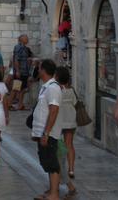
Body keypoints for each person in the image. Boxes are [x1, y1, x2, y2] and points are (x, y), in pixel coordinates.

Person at [31, 59, 63, 200]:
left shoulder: (53, 88)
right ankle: (51, 190)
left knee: (51, 162)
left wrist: (46, 132)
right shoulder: (46, 86)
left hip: (48, 133)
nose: (38, 71)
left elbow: (54, 110)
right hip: (42, 131)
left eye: (39, 69)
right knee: (46, 161)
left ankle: (55, 194)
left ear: (43, 70)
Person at [54, 66, 77, 198]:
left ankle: (61, 168)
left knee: (59, 145)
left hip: (60, 121)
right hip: (71, 120)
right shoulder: (71, 91)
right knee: (69, 144)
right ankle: (71, 169)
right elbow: (75, 103)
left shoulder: (57, 91)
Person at [12, 34, 32, 110]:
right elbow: (16, 59)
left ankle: (20, 105)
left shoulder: (25, 48)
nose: (27, 39)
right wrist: (17, 71)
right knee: (16, 88)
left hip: (25, 72)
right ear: (21, 39)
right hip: (20, 71)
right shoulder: (18, 47)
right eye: (26, 38)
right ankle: (9, 104)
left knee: (22, 89)